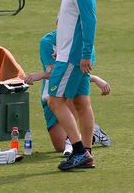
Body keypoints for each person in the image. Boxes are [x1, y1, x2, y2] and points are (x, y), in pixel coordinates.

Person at [41, 0, 98, 170]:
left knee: (55, 101)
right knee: (81, 103)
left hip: (72, 58)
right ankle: (87, 152)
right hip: (71, 55)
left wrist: (83, 54)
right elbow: (71, 25)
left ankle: (79, 151)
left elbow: (89, 21)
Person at [24, 30, 111, 160]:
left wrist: (40, 75)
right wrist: (96, 79)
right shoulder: (47, 42)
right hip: (51, 94)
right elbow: (58, 73)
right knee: (60, 146)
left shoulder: (85, 43)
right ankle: (93, 134)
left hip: (71, 93)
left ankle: (82, 142)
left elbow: (79, 74)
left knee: (73, 98)